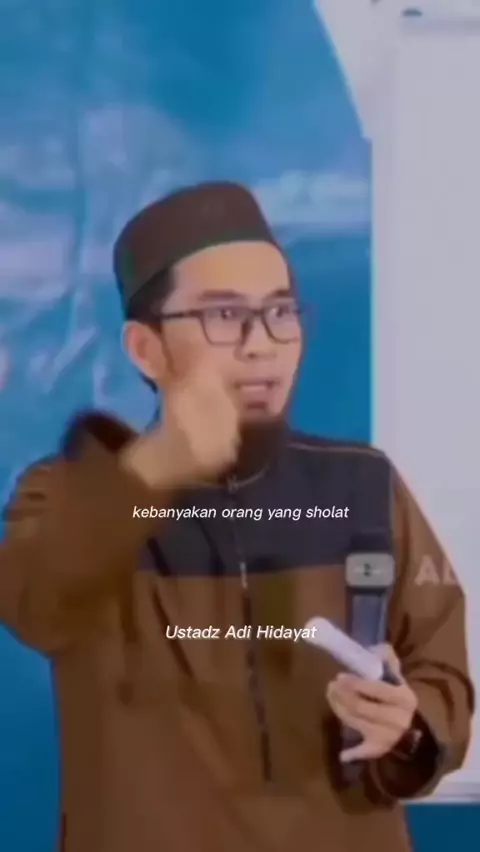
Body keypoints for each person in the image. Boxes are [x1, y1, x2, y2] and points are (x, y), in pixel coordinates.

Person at [0, 181, 474, 852]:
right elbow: (36, 601)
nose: (262, 344)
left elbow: (440, 674)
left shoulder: (364, 485)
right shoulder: (70, 495)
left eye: (281, 312)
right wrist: (155, 470)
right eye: (224, 316)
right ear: (146, 349)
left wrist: (409, 725)